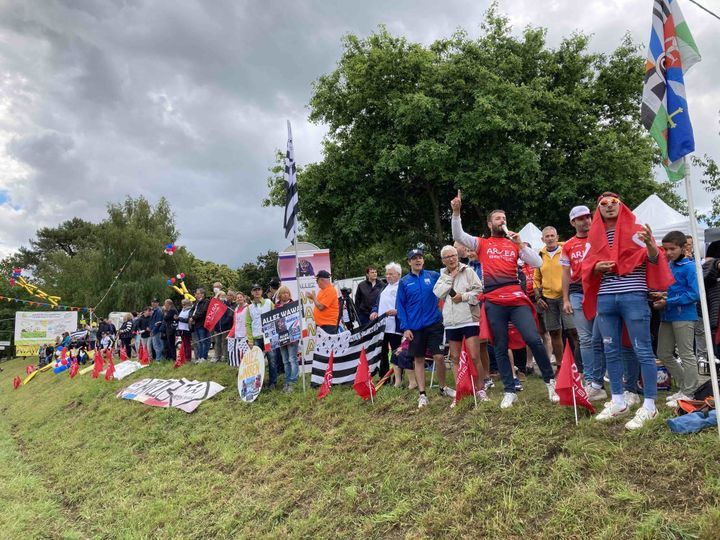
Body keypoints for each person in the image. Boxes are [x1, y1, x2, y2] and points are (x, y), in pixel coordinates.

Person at [451, 196, 559, 409]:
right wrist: (456, 212)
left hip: (516, 299)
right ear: (490, 224)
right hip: (493, 300)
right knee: (499, 345)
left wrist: (520, 244)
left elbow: (537, 262)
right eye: (498, 218)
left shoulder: (514, 244)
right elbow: (458, 235)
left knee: (533, 338)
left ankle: (550, 382)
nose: (502, 220)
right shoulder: (482, 243)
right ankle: (509, 390)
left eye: (505, 218)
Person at [583, 192, 673, 430]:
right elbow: (585, 267)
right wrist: (595, 267)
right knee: (610, 349)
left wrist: (652, 247)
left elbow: (655, 259)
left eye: (615, 203)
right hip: (605, 298)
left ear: (622, 206)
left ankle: (650, 405)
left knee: (642, 349)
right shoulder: (593, 236)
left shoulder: (638, 230)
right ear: (598, 208)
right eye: (604, 204)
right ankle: (618, 400)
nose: (610, 206)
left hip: (633, 296)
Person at [396, 248, 455, 409]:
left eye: (420, 257)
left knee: (439, 357)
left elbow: (448, 285)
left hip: (434, 324)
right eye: (414, 258)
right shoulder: (404, 282)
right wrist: (405, 328)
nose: (418, 260)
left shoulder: (433, 275)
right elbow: (400, 306)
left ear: (423, 260)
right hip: (415, 328)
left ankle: (443, 387)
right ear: (409, 262)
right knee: (419, 359)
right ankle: (422, 394)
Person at [561, 205, 608, 401]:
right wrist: (565, 299)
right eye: (580, 219)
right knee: (586, 339)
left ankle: (603, 378)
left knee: (604, 338)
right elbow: (564, 274)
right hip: (577, 293)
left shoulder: (601, 238)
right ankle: (591, 381)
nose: (586, 221)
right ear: (573, 222)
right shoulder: (568, 245)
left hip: (600, 292)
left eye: (588, 217)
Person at [433, 245, 488, 404]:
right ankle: (462, 391)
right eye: (447, 257)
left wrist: (463, 296)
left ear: (458, 256)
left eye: (453, 255)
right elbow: (438, 292)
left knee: (474, 355)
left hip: (469, 319)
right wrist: (451, 277)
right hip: (451, 322)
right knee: (456, 358)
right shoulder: (443, 275)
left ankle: (480, 389)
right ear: (443, 260)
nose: (451, 259)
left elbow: (479, 292)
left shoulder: (468, 271)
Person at [654, 231, 700, 406]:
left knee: (686, 354)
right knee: (663, 353)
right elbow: (675, 290)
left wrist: (668, 300)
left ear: (683, 247)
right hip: (668, 314)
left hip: (684, 315)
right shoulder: (670, 265)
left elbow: (695, 294)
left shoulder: (690, 267)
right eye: (665, 249)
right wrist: (661, 294)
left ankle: (690, 392)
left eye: (672, 249)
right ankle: (685, 388)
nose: (668, 253)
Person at [534, 226, 578, 370]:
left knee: (573, 331)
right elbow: (536, 278)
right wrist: (537, 296)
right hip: (548, 298)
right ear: (542, 239)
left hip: (566, 295)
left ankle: (580, 365)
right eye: (547, 236)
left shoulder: (566, 249)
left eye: (552, 235)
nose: (550, 238)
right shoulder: (540, 255)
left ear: (557, 237)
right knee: (554, 332)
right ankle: (561, 366)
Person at [371, 262, 406, 384]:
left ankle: (398, 378)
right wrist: (374, 311)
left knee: (397, 352)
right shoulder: (384, 287)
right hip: (382, 327)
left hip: (396, 326)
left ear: (398, 274)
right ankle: (384, 377)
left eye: (391, 274)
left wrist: (398, 311)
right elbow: (377, 304)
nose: (388, 276)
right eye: (387, 274)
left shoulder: (402, 287)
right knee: (382, 352)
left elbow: (408, 305)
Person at [246, 284, 277, 388]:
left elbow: (276, 317)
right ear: (252, 293)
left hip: (269, 337)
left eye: (258, 289)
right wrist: (250, 340)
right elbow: (248, 324)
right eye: (254, 290)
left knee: (272, 360)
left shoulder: (269, 303)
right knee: (257, 362)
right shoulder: (249, 307)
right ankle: (258, 383)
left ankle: (273, 382)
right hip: (256, 338)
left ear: (262, 291)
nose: (257, 292)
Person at [275, 286, 299, 392]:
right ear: (279, 295)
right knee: (285, 361)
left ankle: (293, 382)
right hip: (281, 337)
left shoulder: (294, 305)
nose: (285, 294)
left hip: (292, 337)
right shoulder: (276, 307)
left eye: (287, 293)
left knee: (292, 359)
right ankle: (287, 381)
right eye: (283, 293)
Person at [227, 292, 248, 368]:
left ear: (244, 298)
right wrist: (230, 334)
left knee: (245, 354)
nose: (239, 298)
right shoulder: (235, 309)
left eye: (240, 297)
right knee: (239, 354)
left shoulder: (248, 308)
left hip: (246, 335)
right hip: (237, 335)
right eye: (237, 298)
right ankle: (241, 370)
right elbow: (235, 324)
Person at [190, 289, 210, 362]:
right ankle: (200, 357)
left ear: (202, 294)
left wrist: (193, 318)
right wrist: (190, 317)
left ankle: (203, 357)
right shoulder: (196, 302)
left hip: (202, 324)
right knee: (199, 341)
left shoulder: (206, 301)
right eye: (196, 294)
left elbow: (203, 312)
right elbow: (192, 310)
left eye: (198, 294)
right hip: (196, 324)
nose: (196, 295)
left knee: (203, 341)